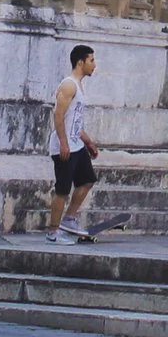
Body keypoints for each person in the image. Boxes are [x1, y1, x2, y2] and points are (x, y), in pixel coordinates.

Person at [47, 43, 102, 243]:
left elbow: (75, 121)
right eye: (91, 60)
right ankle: (53, 233)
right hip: (65, 147)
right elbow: (58, 115)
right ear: (80, 62)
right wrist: (63, 143)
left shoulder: (79, 86)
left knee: (87, 180)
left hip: (77, 145)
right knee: (62, 189)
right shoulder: (68, 85)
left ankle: (69, 219)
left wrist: (89, 142)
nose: (94, 65)